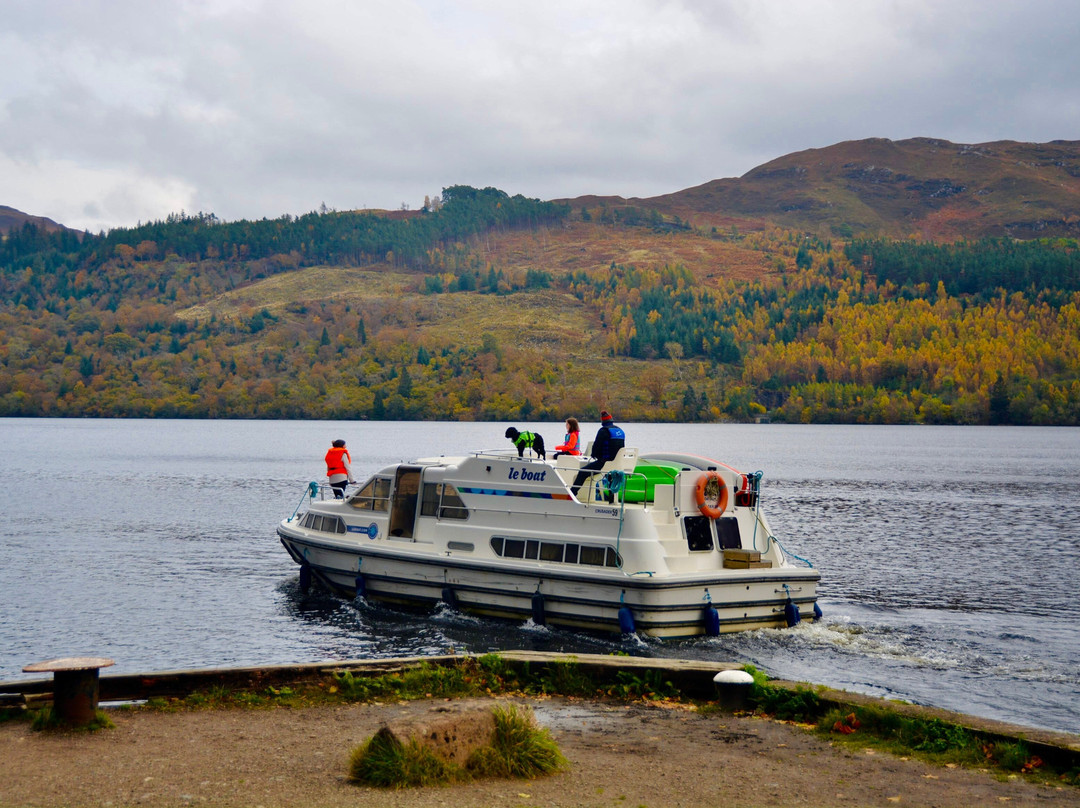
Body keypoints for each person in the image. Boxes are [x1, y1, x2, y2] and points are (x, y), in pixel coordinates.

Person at [570, 411, 626, 498]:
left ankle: (572, 494)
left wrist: (594, 455)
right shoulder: (620, 431)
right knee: (609, 474)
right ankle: (611, 499)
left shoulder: (603, 431)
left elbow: (596, 446)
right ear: (611, 420)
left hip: (604, 463)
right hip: (617, 464)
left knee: (583, 472)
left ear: (602, 422)